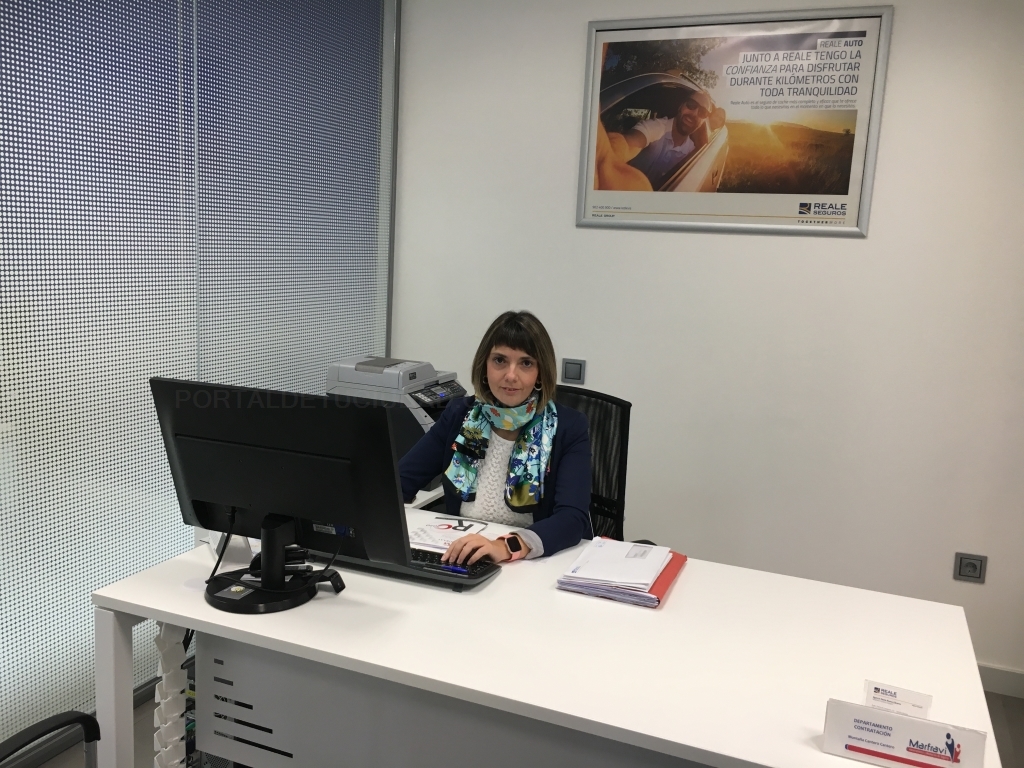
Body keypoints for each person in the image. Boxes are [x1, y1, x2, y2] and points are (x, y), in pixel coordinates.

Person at [398, 311, 592, 566]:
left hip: (532, 563)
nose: (511, 375)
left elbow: (572, 519)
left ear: (540, 373)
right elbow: (399, 482)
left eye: (526, 363)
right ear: (484, 366)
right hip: (463, 555)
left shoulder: (568, 427)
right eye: (500, 360)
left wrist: (506, 546)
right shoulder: (459, 415)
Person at [608, 89, 713, 186]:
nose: (694, 114)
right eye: (691, 104)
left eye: (703, 112)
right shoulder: (655, 127)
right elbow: (627, 144)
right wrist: (607, 155)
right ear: (681, 106)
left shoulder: (691, 152)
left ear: (703, 121)